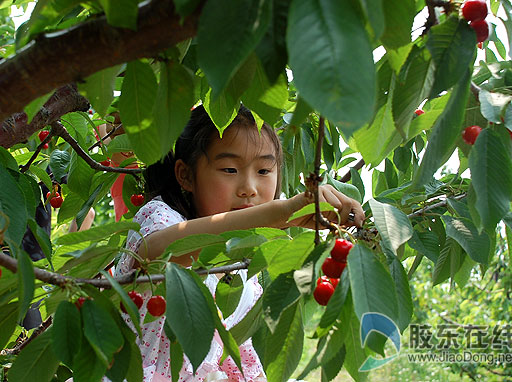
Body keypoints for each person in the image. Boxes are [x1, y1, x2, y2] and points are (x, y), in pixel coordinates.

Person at [114, 105, 365, 381]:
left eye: (264, 170)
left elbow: (234, 353)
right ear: (185, 175)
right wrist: (278, 214)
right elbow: (157, 252)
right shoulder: (159, 216)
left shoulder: (244, 263)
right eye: (230, 169)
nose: (249, 188)